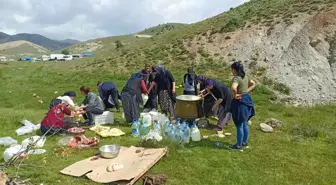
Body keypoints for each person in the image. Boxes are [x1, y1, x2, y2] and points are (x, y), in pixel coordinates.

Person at [229, 62, 256, 151]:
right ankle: (245, 142)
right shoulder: (245, 76)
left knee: (239, 124)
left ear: (234, 70)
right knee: (245, 122)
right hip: (247, 99)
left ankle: (238, 146)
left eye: (232, 69)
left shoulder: (236, 78)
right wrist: (246, 91)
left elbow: (233, 88)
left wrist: (234, 95)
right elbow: (253, 83)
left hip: (240, 102)